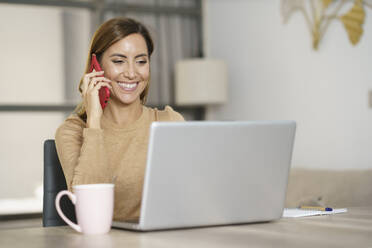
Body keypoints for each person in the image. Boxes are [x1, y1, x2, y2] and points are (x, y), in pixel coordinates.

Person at [55, 17, 184, 221]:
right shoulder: (72, 131)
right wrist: (94, 122)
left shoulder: (170, 122)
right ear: (95, 67)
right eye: (118, 61)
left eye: (141, 61)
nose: (132, 73)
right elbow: (91, 210)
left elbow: (188, 196)